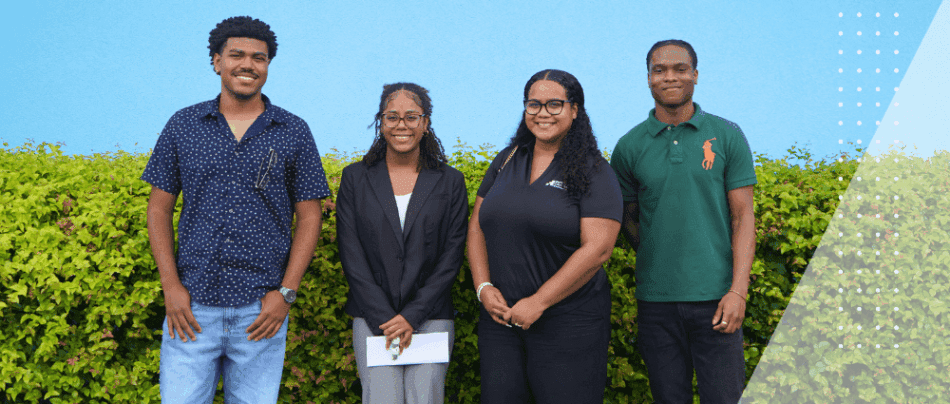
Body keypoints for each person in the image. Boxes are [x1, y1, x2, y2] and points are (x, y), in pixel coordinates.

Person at [142, 16, 331, 403]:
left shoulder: (293, 130)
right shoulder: (184, 125)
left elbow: (310, 216)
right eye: (237, 55)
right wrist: (171, 287)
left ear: (268, 65)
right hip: (192, 309)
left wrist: (286, 294)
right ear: (217, 62)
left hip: (261, 312)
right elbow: (158, 209)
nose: (248, 64)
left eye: (258, 58)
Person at [609, 39, 757, 403]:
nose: (669, 77)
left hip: (718, 299)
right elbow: (627, 219)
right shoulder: (629, 147)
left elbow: (743, 217)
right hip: (656, 302)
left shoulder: (727, 135)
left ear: (695, 75)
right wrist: (660, 252)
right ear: (648, 78)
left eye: (680, 69)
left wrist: (738, 290)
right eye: (659, 70)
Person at [468, 69, 622, 404]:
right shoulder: (507, 159)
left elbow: (598, 248)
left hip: (568, 323)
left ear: (574, 110)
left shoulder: (594, 170)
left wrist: (539, 302)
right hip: (501, 321)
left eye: (554, 104)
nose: (543, 113)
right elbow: (477, 225)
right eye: (534, 104)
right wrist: (483, 287)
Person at [337, 83, 468, 404]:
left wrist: (412, 315)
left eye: (411, 117)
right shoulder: (355, 178)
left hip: (432, 315)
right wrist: (385, 316)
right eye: (392, 117)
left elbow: (451, 255)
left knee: (426, 398)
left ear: (425, 123)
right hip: (373, 317)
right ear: (381, 122)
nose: (402, 125)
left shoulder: (450, 181)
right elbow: (351, 254)